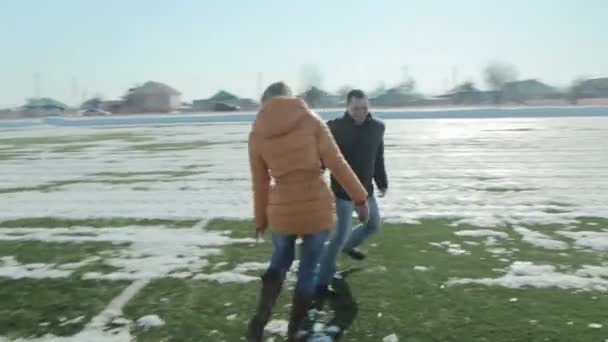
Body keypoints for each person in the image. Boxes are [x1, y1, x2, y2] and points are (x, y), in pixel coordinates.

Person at [246, 82, 370, 342]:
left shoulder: (257, 131)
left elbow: (260, 181)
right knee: (309, 268)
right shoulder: (311, 120)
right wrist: (360, 197)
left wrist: (260, 219)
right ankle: (295, 331)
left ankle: (261, 316)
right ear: (290, 97)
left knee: (280, 260)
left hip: (282, 210)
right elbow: (337, 162)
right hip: (316, 208)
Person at [316, 89, 388, 297]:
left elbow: (378, 157)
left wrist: (381, 181)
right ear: (347, 107)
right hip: (342, 193)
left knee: (373, 225)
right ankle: (322, 281)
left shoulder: (377, 128)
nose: (361, 112)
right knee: (339, 236)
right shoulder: (335, 127)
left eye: (365, 108)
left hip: (366, 192)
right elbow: (322, 158)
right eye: (356, 108)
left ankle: (347, 247)